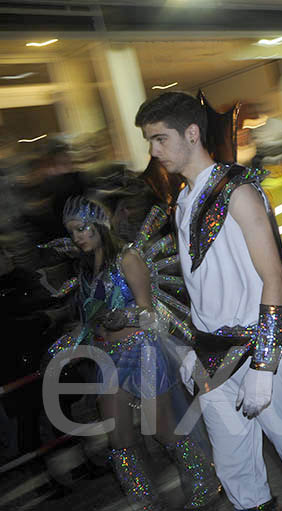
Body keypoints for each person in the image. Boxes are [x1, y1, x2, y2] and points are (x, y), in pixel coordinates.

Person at [134, 92, 282, 511]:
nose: (153, 152)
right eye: (150, 141)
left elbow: (275, 281)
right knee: (235, 471)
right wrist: (194, 347)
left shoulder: (239, 192)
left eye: (159, 139)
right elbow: (202, 287)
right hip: (212, 356)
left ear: (192, 133)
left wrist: (264, 367)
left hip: (258, 349)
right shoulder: (181, 203)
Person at [44, 196, 220, 510]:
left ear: (99, 225)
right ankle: (145, 502)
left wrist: (123, 318)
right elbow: (89, 320)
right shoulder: (86, 270)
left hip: (142, 351)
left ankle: (205, 481)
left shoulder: (127, 258)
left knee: (162, 430)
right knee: (119, 441)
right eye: (72, 232)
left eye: (82, 228)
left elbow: (149, 314)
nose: (78, 237)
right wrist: (71, 340)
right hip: (107, 358)